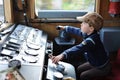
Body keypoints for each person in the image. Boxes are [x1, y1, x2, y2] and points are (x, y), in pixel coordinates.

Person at [50, 12, 111, 80]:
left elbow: (78, 48)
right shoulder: (88, 33)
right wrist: (65, 28)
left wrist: (63, 55)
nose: (81, 24)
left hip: (102, 67)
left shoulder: (91, 41)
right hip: (94, 62)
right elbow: (77, 31)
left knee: (83, 75)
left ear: (91, 28)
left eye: (84, 23)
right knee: (78, 69)